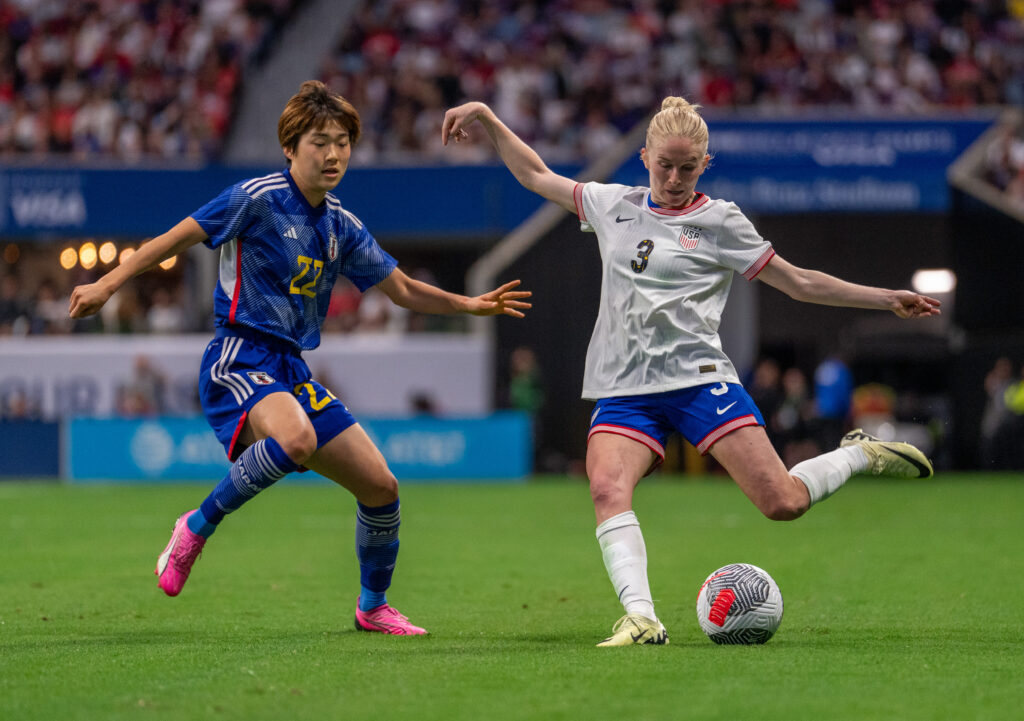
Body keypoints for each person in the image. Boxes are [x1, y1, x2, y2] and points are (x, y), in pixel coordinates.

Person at [441, 97, 939, 646]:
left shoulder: (721, 221)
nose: (674, 178)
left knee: (783, 503)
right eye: (664, 165)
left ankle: (858, 452)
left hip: (700, 380)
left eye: (687, 167)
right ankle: (642, 617)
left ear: (705, 164)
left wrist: (885, 298)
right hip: (625, 388)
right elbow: (536, 175)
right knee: (607, 488)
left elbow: (800, 283)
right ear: (644, 156)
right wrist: (488, 117)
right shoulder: (612, 206)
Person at [68, 80, 531, 636]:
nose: (333, 153)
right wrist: (108, 283)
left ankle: (372, 606)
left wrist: (470, 305)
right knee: (296, 440)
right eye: (319, 141)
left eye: (342, 142)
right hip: (239, 355)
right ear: (291, 147)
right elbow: (174, 239)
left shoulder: (342, 224)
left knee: (382, 488)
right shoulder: (255, 197)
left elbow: (403, 290)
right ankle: (195, 526)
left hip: (290, 367)